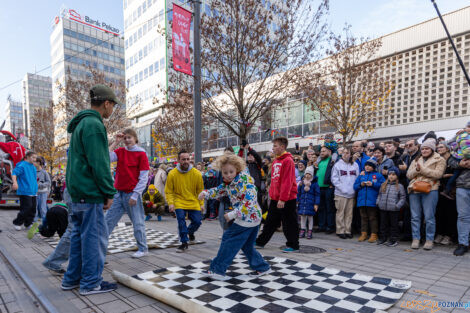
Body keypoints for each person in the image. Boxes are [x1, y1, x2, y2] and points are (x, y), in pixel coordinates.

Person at [61, 84, 119, 295]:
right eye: (113, 105)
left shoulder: (80, 124)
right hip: (90, 192)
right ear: (106, 103)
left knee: (78, 238)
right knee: (94, 240)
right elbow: (100, 162)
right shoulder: (94, 125)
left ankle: (71, 279)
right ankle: (91, 283)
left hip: (78, 193)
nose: (112, 110)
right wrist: (109, 192)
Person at [198, 154, 269, 280]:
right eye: (225, 173)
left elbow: (250, 199)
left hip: (248, 217)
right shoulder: (228, 183)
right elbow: (219, 190)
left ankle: (217, 270)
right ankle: (262, 267)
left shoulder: (244, 180)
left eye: (231, 172)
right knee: (247, 246)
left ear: (237, 168)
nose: (228, 175)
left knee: (228, 238)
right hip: (251, 218)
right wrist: (206, 193)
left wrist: (233, 214)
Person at [105, 128, 150, 259]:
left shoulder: (141, 154)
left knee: (137, 222)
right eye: (125, 138)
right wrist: (115, 142)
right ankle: (100, 248)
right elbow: (106, 157)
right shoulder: (120, 151)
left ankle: (143, 248)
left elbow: (144, 177)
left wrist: (136, 195)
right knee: (108, 221)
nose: (127, 140)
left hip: (132, 193)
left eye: (129, 137)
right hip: (118, 193)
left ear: (135, 139)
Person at [256, 137, 299, 253]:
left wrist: (283, 199)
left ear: (282, 147)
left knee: (289, 223)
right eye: (273, 146)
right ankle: (260, 242)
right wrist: (272, 194)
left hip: (287, 199)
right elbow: (274, 180)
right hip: (275, 198)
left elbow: (287, 181)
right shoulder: (276, 161)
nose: (273, 148)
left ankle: (293, 245)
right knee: (270, 221)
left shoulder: (288, 161)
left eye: (275, 146)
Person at [407, 139, 446, 250]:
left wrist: (422, 169)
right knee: (415, 217)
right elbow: (409, 175)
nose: (424, 150)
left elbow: (438, 174)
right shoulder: (416, 159)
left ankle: (429, 240)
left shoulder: (440, 159)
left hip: (430, 189)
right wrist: (417, 170)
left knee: (429, 217)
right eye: (423, 148)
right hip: (414, 189)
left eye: (427, 148)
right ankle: (416, 238)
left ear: (432, 149)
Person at [165, 150, 204, 252]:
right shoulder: (172, 174)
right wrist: (171, 203)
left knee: (197, 222)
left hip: (193, 201)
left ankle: (189, 232)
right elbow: (168, 191)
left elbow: (200, 190)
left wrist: (201, 204)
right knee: (181, 220)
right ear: (178, 160)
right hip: (179, 201)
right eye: (183, 159)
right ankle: (184, 242)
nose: (186, 161)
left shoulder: (196, 173)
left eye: (188, 159)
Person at [42, 188, 73, 275]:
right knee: (68, 230)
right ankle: (53, 261)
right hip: (62, 211)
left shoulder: (62, 202)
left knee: (53, 230)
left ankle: (43, 231)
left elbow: (45, 219)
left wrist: (43, 226)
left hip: (51, 211)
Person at [354, 159, 385, 243]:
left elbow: (383, 185)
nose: (367, 167)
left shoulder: (378, 175)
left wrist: (373, 184)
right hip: (361, 201)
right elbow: (355, 186)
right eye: (366, 165)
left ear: (373, 167)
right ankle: (364, 233)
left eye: (370, 165)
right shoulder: (361, 175)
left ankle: (374, 234)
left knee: (372, 218)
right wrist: (361, 184)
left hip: (372, 201)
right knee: (363, 218)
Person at [331, 147, 359, 239]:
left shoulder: (355, 165)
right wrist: (342, 188)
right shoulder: (337, 165)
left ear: (350, 154)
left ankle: (348, 230)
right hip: (340, 193)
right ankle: (340, 230)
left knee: (349, 214)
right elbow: (334, 179)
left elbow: (357, 178)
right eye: (344, 153)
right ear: (341, 154)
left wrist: (354, 189)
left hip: (351, 194)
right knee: (340, 212)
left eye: (347, 153)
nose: (345, 154)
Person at [377, 167, 406, 247]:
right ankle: (383, 238)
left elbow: (402, 198)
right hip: (383, 208)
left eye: (393, 175)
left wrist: (397, 206)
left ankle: (393, 239)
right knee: (383, 224)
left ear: (397, 176)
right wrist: (378, 202)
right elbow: (379, 195)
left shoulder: (399, 186)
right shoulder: (383, 185)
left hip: (394, 209)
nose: (391, 176)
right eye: (389, 174)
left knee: (393, 225)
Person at [435, 143, 457, 245]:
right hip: (440, 189)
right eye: (438, 147)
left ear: (447, 148)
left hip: (452, 190)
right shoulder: (439, 160)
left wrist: (448, 175)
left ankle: (449, 236)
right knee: (440, 213)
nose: (439, 149)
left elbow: (459, 172)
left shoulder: (453, 159)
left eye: (441, 147)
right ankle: (440, 233)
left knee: (450, 213)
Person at [442, 122, 470, 198]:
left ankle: (447, 190)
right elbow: (451, 160)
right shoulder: (462, 136)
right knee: (455, 174)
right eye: (468, 127)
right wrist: (460, 164)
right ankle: (447, 190)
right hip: (463, 185)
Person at [12, 151, 38, 230]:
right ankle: (17, 222)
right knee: (26, 208)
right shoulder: (22, 165)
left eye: (35, 158)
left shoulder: (33, 167)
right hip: (25, 190)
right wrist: (15, 183)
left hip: (33, 191)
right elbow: (14, 173)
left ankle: (28, 223)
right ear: (27, 157)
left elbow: (33, 178)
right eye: (33, 157)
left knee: (33, 208)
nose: (35, 159)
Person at [315, 146, 335, 234]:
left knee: (329, 207)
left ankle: (330, 227)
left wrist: (332, 183)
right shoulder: (318, 161)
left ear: (329, 152)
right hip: (319, 188)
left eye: (324, 151)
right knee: (321, 208)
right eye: (321, 151)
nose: (322, 153)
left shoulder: (333, 160)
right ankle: (321, 226)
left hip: (328, 187)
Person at [297, 166, 320, 239]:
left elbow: (317, 194)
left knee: (310, 217)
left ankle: (310, 230)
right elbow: (298, 193)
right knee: (303, 216)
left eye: (309, 174)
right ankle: (302, 229)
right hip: (303, 202)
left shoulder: (315, 184)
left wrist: (316, 204)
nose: (307, 175)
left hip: (311, 203)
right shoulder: (301, 183)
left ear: (312, 175)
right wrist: (297, 200)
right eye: (306, 174)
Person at [35, 156, 51, 221]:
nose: (33, 163)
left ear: (38, 163)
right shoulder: (33, 172)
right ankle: (35, 224)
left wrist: (41, 185)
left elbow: (48, 182)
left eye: (35, 162)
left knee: (42, 209)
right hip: (35, 193)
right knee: (35, 209)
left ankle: (45, 223)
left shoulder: (44, 172)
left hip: (43, 193)